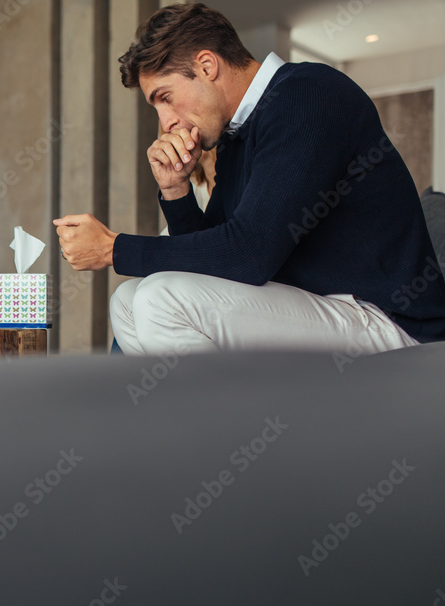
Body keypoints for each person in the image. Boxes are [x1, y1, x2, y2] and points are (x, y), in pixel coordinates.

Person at [54, 3, 445, 356]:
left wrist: (112, 249)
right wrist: (176, 189)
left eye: (166, 97)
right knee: (127, 298)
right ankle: (186, 425)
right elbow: (215, 259)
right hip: (323, 309)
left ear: (207, 66)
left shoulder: (307, 95)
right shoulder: (235, 136)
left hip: (387, 322)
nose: (165, 122)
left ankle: (221, 429)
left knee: (160, 298)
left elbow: (248, 255)